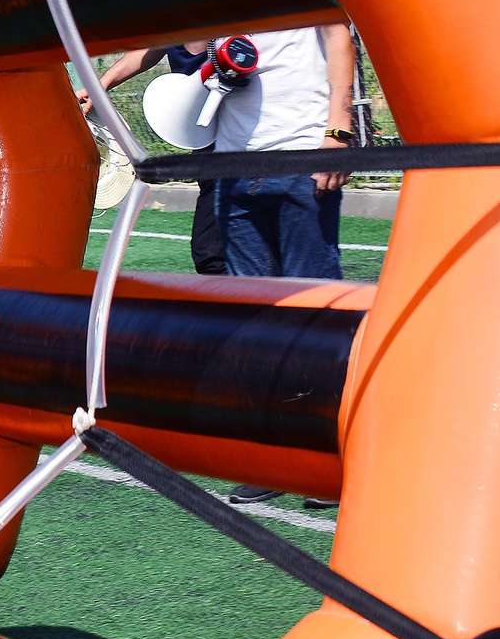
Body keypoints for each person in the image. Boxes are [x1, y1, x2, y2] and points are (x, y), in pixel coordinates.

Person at [209, 25, 353, 507]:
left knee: (317, 309)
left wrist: (338, 129)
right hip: (231, 165)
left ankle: (334, 456)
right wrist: (104, 83)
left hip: (301, 151)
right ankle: (275, 456)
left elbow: (338, 32)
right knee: (253, 318)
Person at [89, 44, 227, 275]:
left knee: (220, 253)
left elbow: (196, 46)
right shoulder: (173, 26)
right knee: (211, 254)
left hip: (241, 128)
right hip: (205, 130)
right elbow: (153, 47)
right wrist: (100, 86)